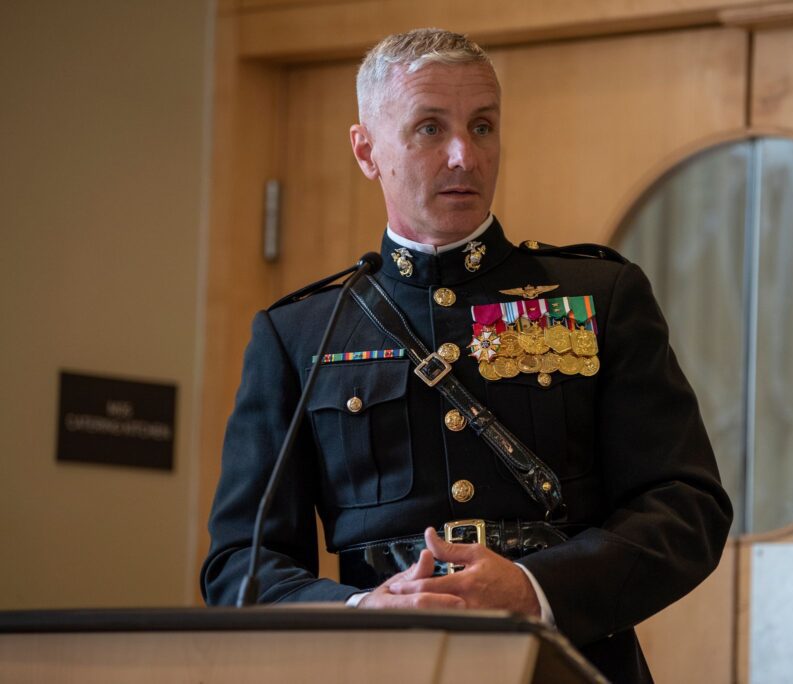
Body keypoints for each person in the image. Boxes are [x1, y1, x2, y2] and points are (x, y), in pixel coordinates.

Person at [201, 28, 732, 683]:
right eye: (430, 128)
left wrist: (538, 591)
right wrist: (361, 608)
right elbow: (238, 565)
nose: (464, 155)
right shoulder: (302, 334)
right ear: (366, 151)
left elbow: (688, 510)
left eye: (483, 126)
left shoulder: (599, 296)